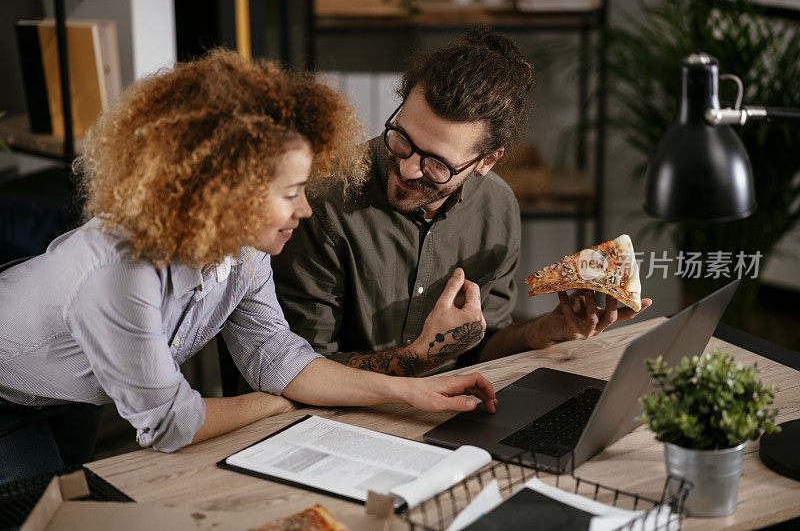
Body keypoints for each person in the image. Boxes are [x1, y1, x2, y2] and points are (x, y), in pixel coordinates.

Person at [0, 49, 496, 485]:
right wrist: (278, 403)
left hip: (66, 390)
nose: (305, 210)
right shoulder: (120, 277)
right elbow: (172, 425)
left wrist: (410, 391)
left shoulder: (245, 249)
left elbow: (274, 353)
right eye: (290, 194)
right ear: (226, 194)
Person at [272, 28, 652, 376]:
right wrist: (419, 358)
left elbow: (481, 347)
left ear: (486, 161)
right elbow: (300, 369)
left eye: (437, 163)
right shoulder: (320, 203)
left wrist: (546, 330)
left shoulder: (497, 208)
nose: (407, 168)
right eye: (401, 138)